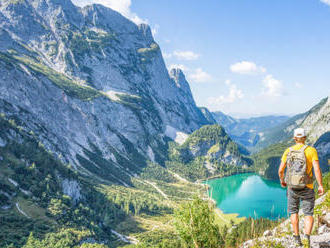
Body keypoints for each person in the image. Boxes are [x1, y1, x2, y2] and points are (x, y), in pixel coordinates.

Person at [278, 128, 324, 247]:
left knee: (294, 212)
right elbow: (317, 169)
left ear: (294, 138)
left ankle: (296, 238)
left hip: (292, 187)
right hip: (307, 186)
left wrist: (282, 181)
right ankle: (306, 239)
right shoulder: (311, 150)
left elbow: (280, 170)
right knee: (308, 214)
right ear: (305, 138)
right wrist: (320, 185)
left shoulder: (288, 151)